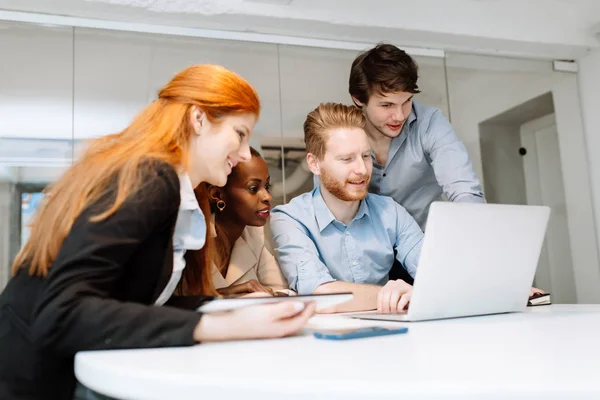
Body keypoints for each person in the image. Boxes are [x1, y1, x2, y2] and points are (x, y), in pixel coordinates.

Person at [0, 64, 315, 400]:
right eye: (240, 134)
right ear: (198, 120)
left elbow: (132, 298)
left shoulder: (179, 190)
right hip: (30, 379)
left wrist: (219, 305)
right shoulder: (151, 177)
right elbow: (63, 313)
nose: (242, 154)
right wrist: (223, 326)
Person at [270, 103, 424, 313]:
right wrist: (395, 295)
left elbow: (437, 275)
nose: (362, 169)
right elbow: (321, 296)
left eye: (366, 156)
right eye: (346, 159)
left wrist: (423, 290)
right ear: (314, 163)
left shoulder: (392, 212)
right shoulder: (289, 218)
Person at [349, 43, 485, 229]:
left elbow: (464, 188)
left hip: (428, 245)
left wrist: (475, 229)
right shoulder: (338, 135)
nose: (399, 116)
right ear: (358, 99)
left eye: (407, 101)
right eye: (387, 105)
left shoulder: (429, 122)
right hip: (368, 252)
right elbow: (329, 205)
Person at [189, 147, 293, 297]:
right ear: (217, 194)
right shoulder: (191, 237)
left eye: (267, 186)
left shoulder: (253, 235)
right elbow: (161, 304)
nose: (267, 197)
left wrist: (269, 296)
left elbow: (283, 291)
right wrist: (224, 295)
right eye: (253, 188)